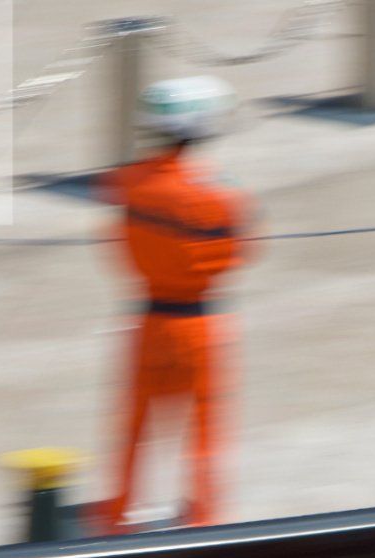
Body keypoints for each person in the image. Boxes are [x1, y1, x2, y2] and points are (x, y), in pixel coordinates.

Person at [98, 76, 253, 533]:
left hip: (148, 319)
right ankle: (204, 517)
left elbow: (116, 242)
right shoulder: (220, 192)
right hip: (199, 323)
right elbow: (238, 252)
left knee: (133, 425)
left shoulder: (126, 182)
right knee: (205, 428)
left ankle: (117, 514)